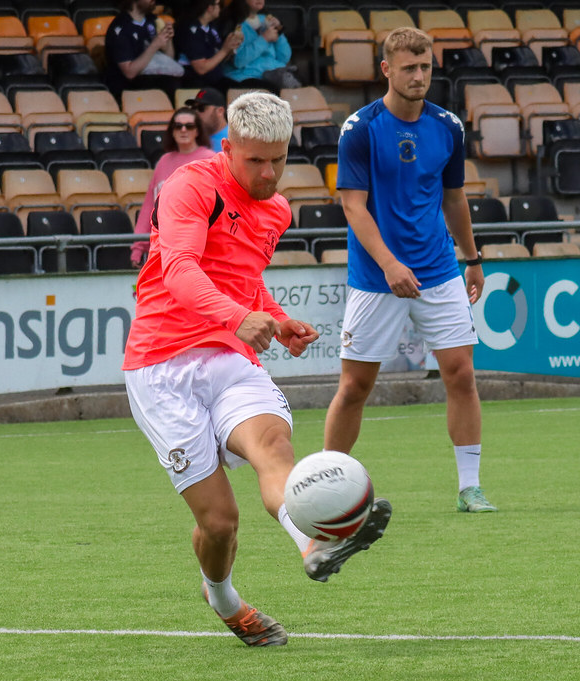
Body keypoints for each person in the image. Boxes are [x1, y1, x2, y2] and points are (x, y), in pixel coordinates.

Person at [122, 91, 392, 647]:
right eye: (255, 161)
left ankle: (314, 544)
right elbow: (178, 269)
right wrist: (238, 315)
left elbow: (243, 277)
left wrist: (275, 317)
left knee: (275, 448)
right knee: (219, 523)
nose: (269, 173)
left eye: (279, 159)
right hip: (162, 366)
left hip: (229, 358)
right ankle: (222, 598)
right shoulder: (190, 187)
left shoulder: (276, 208)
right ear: (228, 147)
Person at [323, 27, 497, 514]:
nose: (419, 76)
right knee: (355, 387)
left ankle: (470, 487)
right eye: (409, 68)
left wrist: (472, 257)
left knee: (461, 374)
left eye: (425, 67)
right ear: (386, 70)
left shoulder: (449, 126)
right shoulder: (360, 128)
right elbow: (354, 208)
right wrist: (390, 264)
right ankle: (324, 484)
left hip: (439, 271)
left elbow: (454, 198)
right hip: (377, 277)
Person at [131, 107, 215, 267]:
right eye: (178, 126)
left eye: (189, 126)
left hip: (201, 247)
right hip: (163, 246)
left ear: (197, 131)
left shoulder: (210, 159)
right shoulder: (164, 161)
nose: (183, 130)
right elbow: (150, 205)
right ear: (172, 131)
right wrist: (138, 247)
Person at [104, 0, 183, 98]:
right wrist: (154, 45)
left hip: (156, 79)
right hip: (128, 88)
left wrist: (168, 39)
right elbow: (129, 73)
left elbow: (168, 59)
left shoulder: (152, 20)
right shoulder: (120, 28)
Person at [221, 0, 301, 90]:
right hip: (246, 77)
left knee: (300, 84)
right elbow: (239, 61)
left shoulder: (266, 19)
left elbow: (284, 58)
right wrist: (264, 39)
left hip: (274, 74)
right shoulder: (235, 23)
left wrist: (279, 33)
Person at [175, 0, 244, 90]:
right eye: (219, 4)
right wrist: (225, 50)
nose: (221, 8)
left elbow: (220, 58)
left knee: (241, 91)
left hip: (215, 80)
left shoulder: (211, 28)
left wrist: (232, 46)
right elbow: (201, 69)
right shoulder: (191, 30)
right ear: (210, 8)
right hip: (196, 84)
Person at [185, 87, 229, 151]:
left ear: (220, 111)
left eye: (201, 108)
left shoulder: (235, 139)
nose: (196, 112)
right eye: (193, 108)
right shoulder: (191, 138)